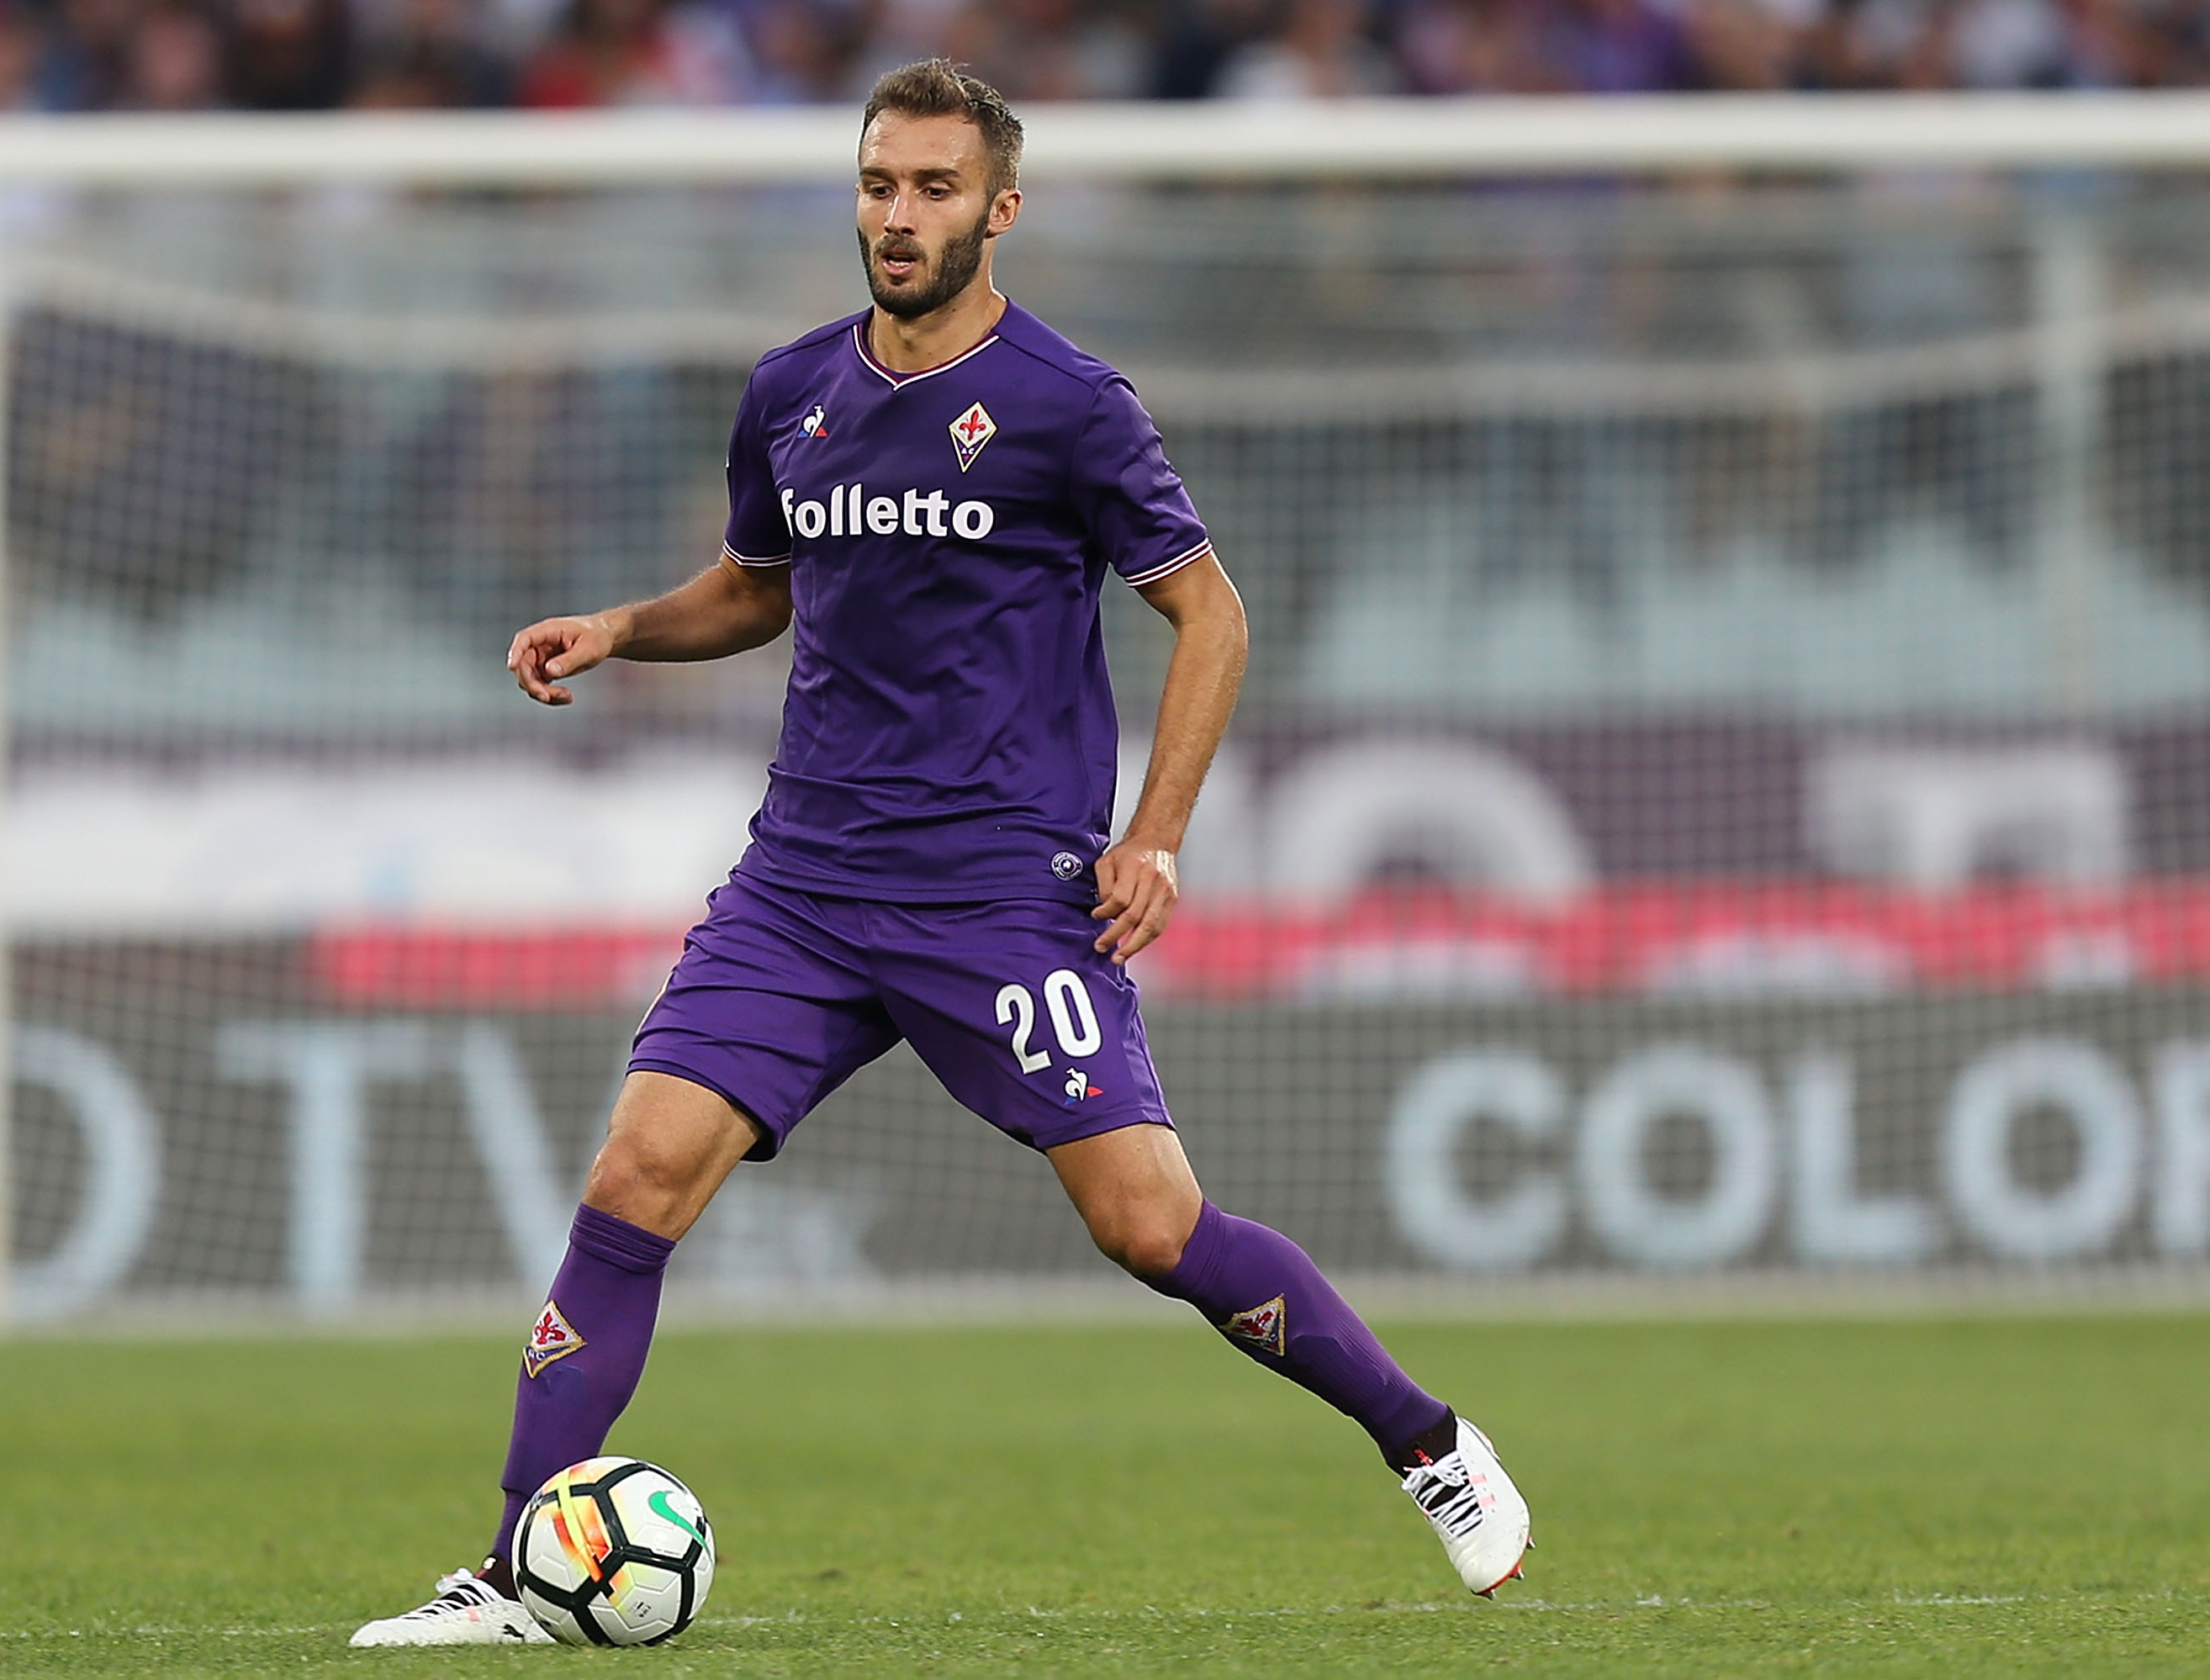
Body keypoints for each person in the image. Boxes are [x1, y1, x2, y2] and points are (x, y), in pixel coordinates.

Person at [350, 56, 1531, 1649]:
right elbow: (758, 585)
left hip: (999, 891)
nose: (898, 217)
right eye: (878, 184)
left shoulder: (1070, 406)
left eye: (933, 189)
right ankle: (508, 1569)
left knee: (1151, 1228)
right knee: (634, 1177)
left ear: (1001, 208)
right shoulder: (791, 391)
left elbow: (1209, 611)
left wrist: (1158, 837)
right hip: (806, 883)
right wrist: (626, 626)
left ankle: (1427, 1440)